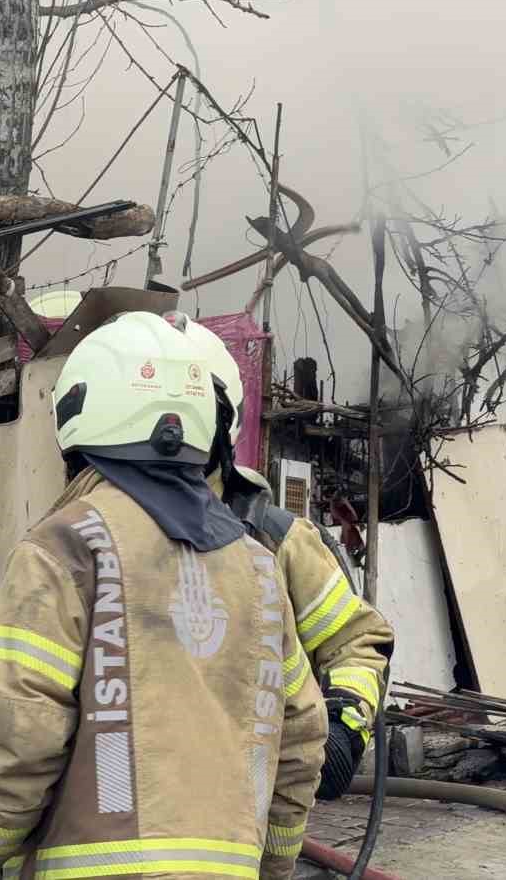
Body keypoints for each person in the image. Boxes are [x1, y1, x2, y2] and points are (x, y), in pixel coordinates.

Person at [0, 310, 325, 880]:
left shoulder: (65, 547)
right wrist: (273, 864)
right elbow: (299, 742)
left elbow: (20, 737)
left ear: (81, 413)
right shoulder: (258, 567)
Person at [166, 311, 395, 801]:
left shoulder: (276, 540)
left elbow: (357, 641)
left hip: (261, 798)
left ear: (219, 420)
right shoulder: (91, 537)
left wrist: (343, 725)